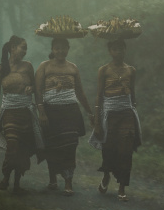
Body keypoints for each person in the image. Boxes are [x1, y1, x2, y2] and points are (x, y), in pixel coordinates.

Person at [35, 37, 94, 194]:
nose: (60, 51)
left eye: (63, 48)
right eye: (57, 48)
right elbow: (38, 90)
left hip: (70, 112)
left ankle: (68, 181)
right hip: (50, 111)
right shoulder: (44, 66)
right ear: (52, 49)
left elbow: (80, 92)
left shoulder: (73, 68)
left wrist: (90, 112)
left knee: (70, 145)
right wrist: (41, 112)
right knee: (52, 146)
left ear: (68, 49)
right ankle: (53, 178)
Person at [0, 35, 43, 192]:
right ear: (13, 48)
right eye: (23, 47)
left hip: (26, 112)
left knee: (23, 148)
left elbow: (35, 87)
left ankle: (17, 183)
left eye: (26, 48)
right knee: (12, 145)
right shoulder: (0, 70)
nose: (25, 51)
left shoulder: (28, 66)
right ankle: (6, 177)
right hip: (10, 113)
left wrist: (31, 89)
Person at [89, 38, 141, 201]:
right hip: (109, 114)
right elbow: (99, 96)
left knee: (126, 149)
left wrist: (133, 109)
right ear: (110, 51)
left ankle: (122, 187)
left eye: (121, 48)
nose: (118, 52)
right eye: (115, 49)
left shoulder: (131, 70)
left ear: (125, 50)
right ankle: (106, 176)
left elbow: (132, 93)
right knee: (109, 148)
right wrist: (97, 120)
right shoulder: (104, 70)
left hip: (126, 113)